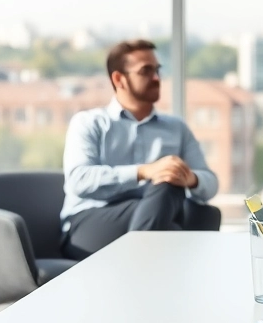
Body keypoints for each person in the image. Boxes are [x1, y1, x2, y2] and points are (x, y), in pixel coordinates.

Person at [60, 39, 222, 259]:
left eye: (157, 70)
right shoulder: (89, 123)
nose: (156, 78)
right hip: (90, 222)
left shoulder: (177, 128)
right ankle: (145, 264)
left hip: (157, 216)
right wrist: (145, 171)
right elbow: (79, 180)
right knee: (177, 226)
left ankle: (138, 264)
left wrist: (188, 178)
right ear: (119, 79)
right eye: (146, 71)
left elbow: (210, 184)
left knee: (171, 185)